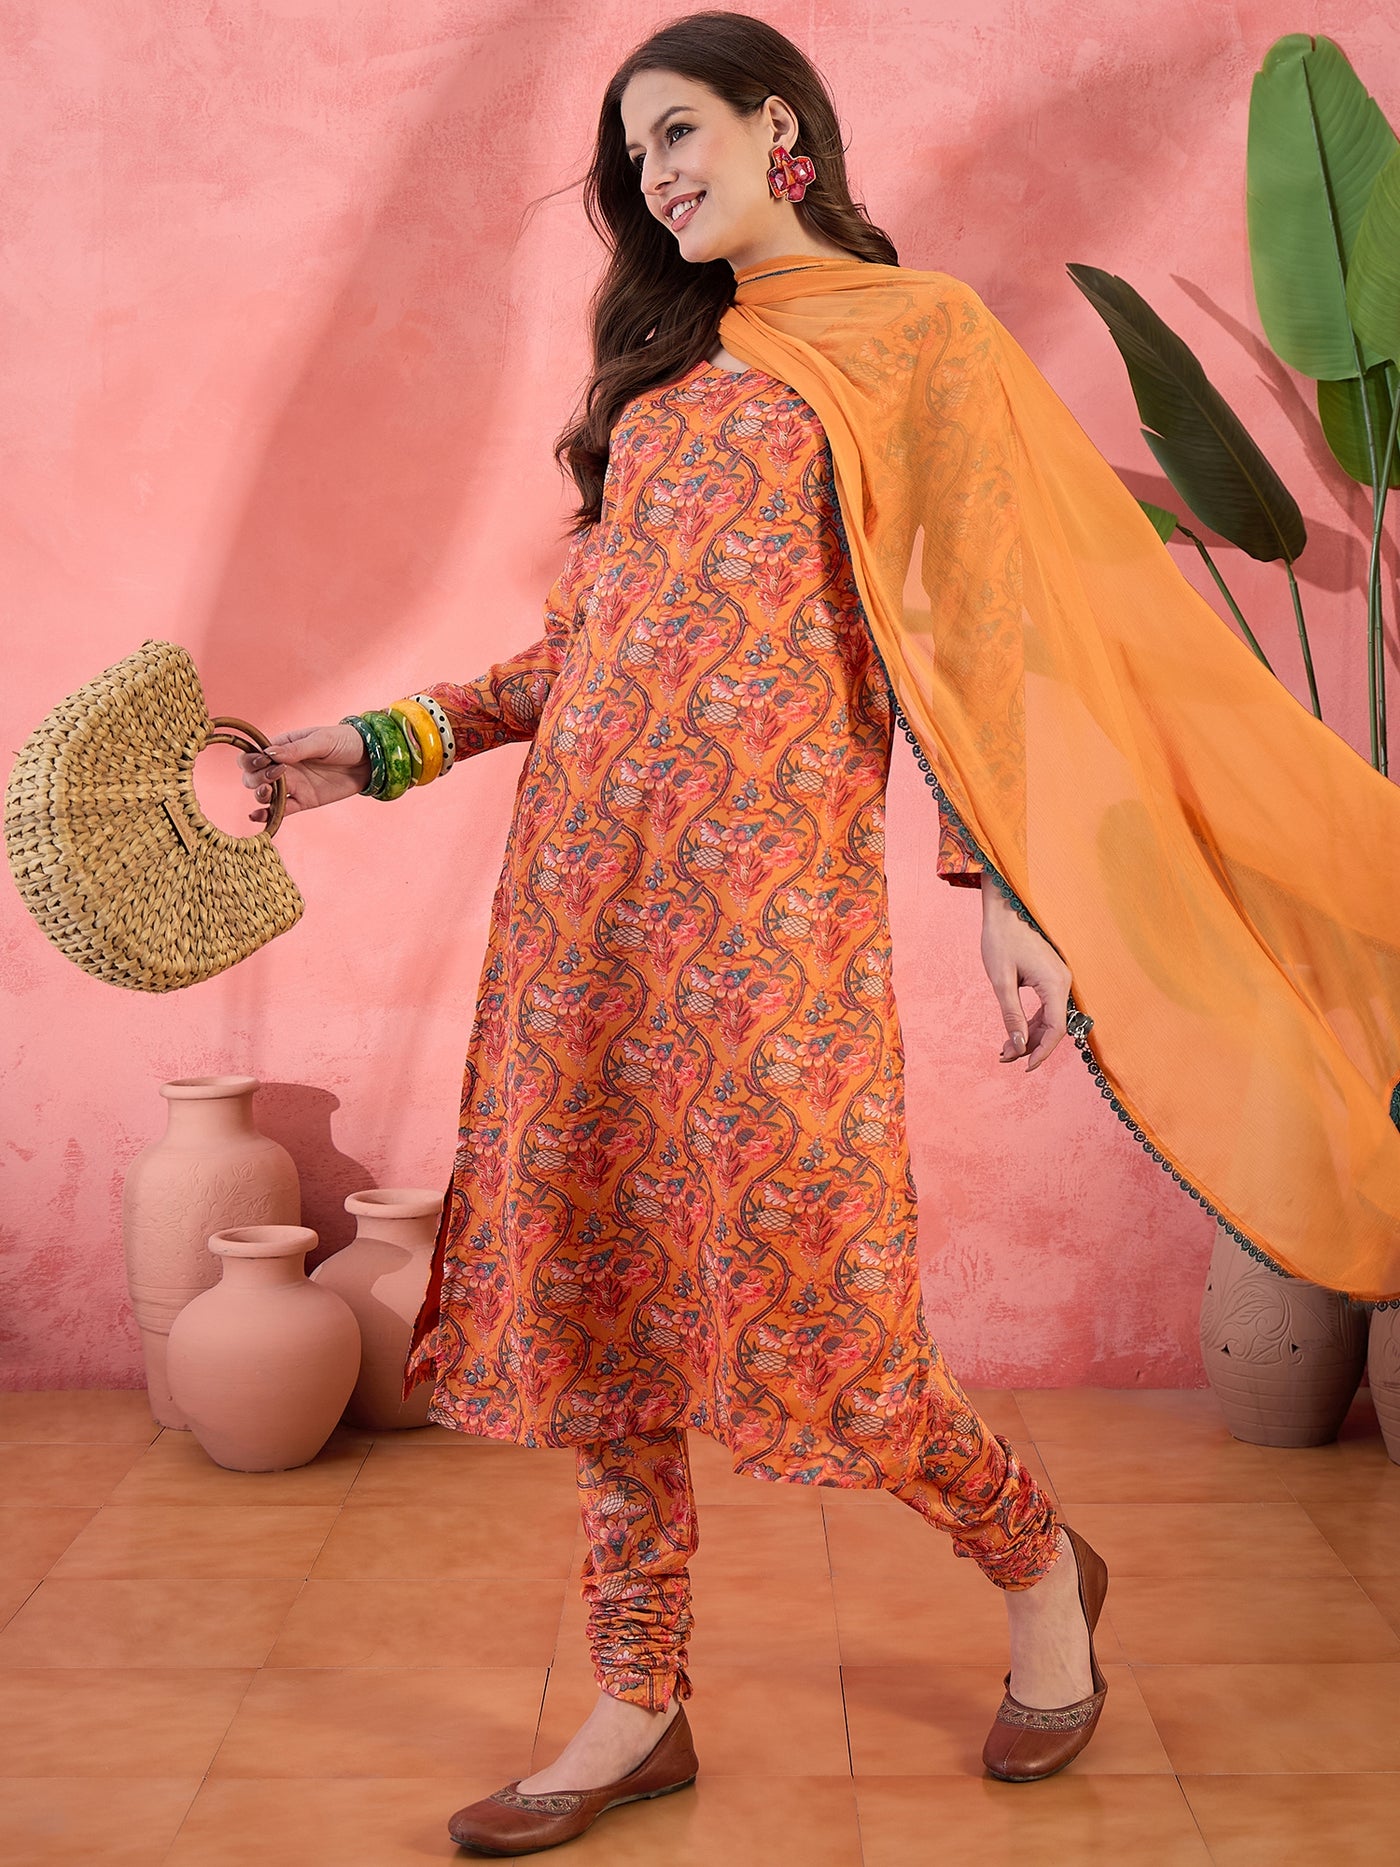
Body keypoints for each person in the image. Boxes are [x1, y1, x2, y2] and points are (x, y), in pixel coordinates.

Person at [240, 12, 1114, 1853]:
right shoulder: (667, 376)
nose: (657, 174)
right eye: (634, 156)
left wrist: (1012, 900)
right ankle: (637, 1704)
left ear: (779, 123)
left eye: (681, 131)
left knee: (840, 1325)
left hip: (771, 930)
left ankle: (1043, 1578)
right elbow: (589, 657)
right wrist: (376, 750)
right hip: (585, 916)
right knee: (605, 1317)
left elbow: (957, 640)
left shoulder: (913, 341)